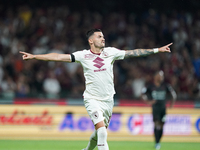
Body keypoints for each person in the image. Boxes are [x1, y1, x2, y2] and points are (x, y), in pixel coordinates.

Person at [20, 29, 172, 150]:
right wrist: (35, 56)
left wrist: (157, 50)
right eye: (99, 36)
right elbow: (59, 57)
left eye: (103, 36)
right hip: (92, 99)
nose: (103, 38)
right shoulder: (83, 55)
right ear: (91, 40)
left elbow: (133, 52)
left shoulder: (111, 52)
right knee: (103, 132)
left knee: (100, 132)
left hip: (108, 100)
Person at [141, 70, 177, 150]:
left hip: (163, 109)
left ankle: (158, 141)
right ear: (155, 77)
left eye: (162, 76)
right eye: (160, 76)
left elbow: (173, 94)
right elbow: (142, 93)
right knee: (157, 124)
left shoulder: (166, 86)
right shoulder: (150, 86)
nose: (161, 77)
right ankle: (157, 142)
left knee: (161, 125)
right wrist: (148, 101)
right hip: (155, 109)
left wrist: (171, 105)